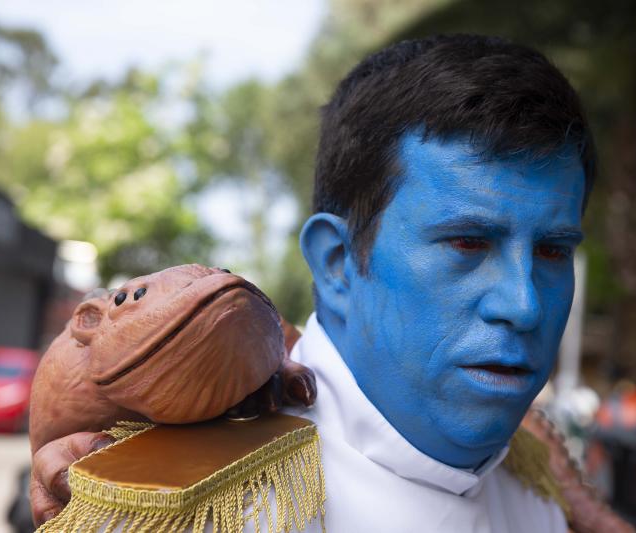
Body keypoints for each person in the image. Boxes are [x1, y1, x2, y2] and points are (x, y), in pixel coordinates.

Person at [31, 34, 597, 531]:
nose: (524, 305)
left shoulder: (540, 486)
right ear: (336, 262)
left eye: (552, 251)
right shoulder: (178, 507)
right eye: (468, 243)